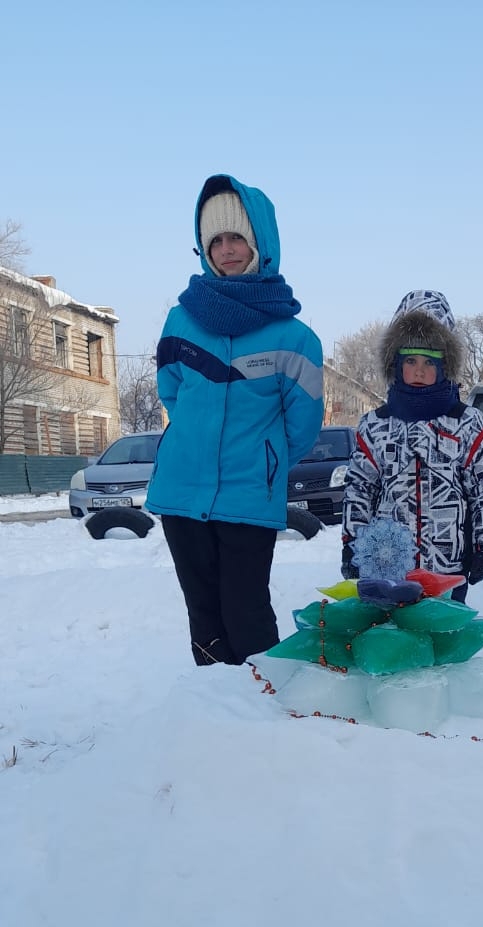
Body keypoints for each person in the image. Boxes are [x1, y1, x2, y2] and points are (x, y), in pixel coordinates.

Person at [146, 173, 323, 666]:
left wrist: (262, 458)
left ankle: (262, 716)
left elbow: (302, 424)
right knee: (203, 614)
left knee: (246, 613)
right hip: (182, 488)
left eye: (237, 238)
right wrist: (196, 444)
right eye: (216, 240)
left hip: (249, 491)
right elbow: (172, 392)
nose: (226, 249)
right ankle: (214, 720)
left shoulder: (295, 337)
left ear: (260, 243)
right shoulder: (181, 319)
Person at [341, 290, 483, 600]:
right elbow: (359, 491)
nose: (418, 370)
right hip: (386, 567)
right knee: (390, 642)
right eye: (410, 360)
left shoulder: (468, 423)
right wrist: (352, 545)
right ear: (395, 364)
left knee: (442, 640)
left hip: (447, 567)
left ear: (446, 366)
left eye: (429, 361)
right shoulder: (376, 425)